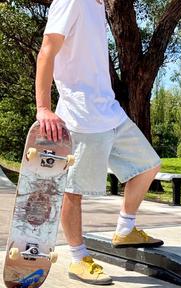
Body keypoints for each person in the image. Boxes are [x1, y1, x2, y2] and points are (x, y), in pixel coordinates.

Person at [35, 0, 163, 285]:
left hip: (110, 110)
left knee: (148, 165)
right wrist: (43, 107)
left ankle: (125, 229)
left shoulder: (98, 5)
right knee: (75, 189)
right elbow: (47, 50)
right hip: (81, 115)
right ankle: (78, 259)